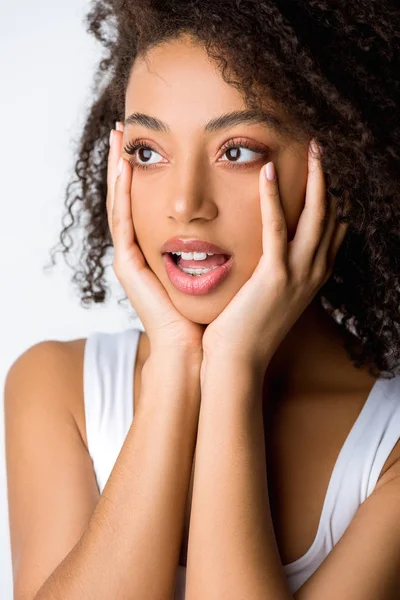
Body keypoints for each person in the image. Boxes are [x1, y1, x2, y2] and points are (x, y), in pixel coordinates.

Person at [5, 1, 400, 599]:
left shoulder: (390, 451)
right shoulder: (56, 388)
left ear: (339, 166)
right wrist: (173, 362)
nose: (185, 202)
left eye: (237, 150)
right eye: (146, 152)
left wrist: (233, 369)